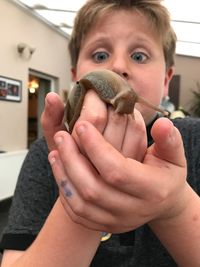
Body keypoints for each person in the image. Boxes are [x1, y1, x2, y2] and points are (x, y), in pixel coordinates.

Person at [1, 0, 200, 266]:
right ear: (76, 77)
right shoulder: (46, 155)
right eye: (100, 56)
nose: (117, 66)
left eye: (139, 56)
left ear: (166, 80)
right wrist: (82, 195)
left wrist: (175, 206)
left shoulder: (193, 142)